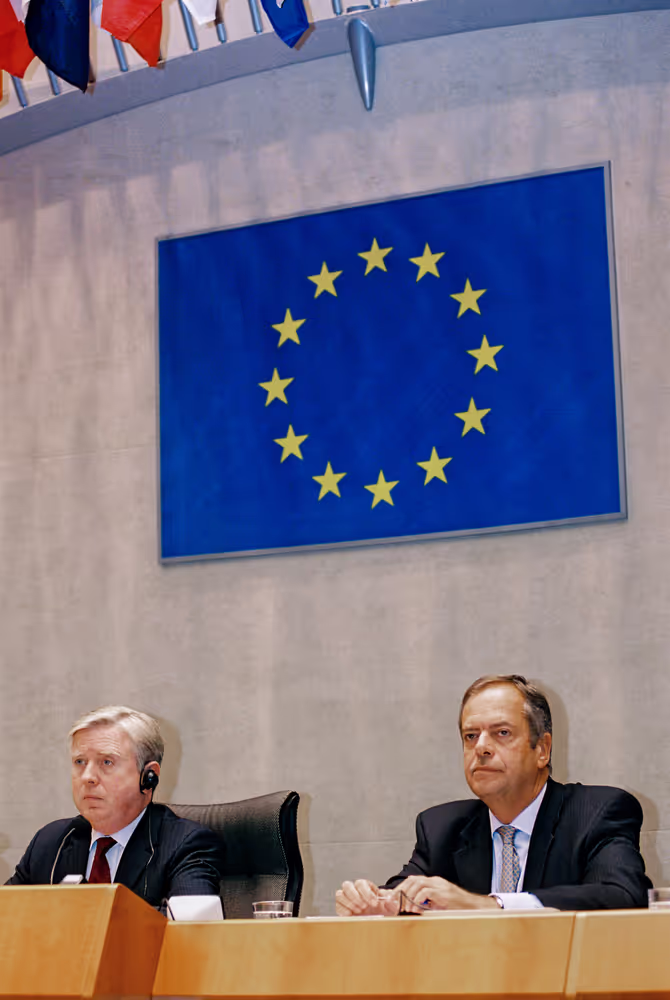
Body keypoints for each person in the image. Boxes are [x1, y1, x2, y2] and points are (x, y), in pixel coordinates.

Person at [336, 675, 651, 914]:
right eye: (470, 736)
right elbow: (406, 894)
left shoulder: (596, 812)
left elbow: (622, 896)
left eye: (502, 733)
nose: (481, 747)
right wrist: (379, 905)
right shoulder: (442, 827)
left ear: (542, 749)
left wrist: (489, 905)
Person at [7, 706, 224, 908]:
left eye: (107, 762)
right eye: (80, 762)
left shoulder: (186, 845)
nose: (88, 777)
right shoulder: (51, 842)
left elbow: (190, 932)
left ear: (149, 778)